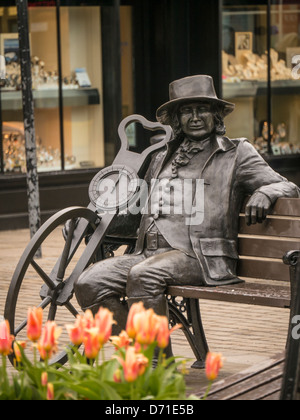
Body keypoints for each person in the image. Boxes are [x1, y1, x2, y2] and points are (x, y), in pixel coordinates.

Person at [74, 75, 299, 338]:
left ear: (215, 114)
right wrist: (91, 221)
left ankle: (154, 363)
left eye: (202, 109)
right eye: (186, 111)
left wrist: (266, 191)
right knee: (89, 282)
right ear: (176, 119)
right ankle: (140, 349)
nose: (195, 117)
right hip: (148, 254)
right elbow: (138, 216)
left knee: (144, 276)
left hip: (200, 257)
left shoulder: (236, 153)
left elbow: (287, 186)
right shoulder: (160, 158)